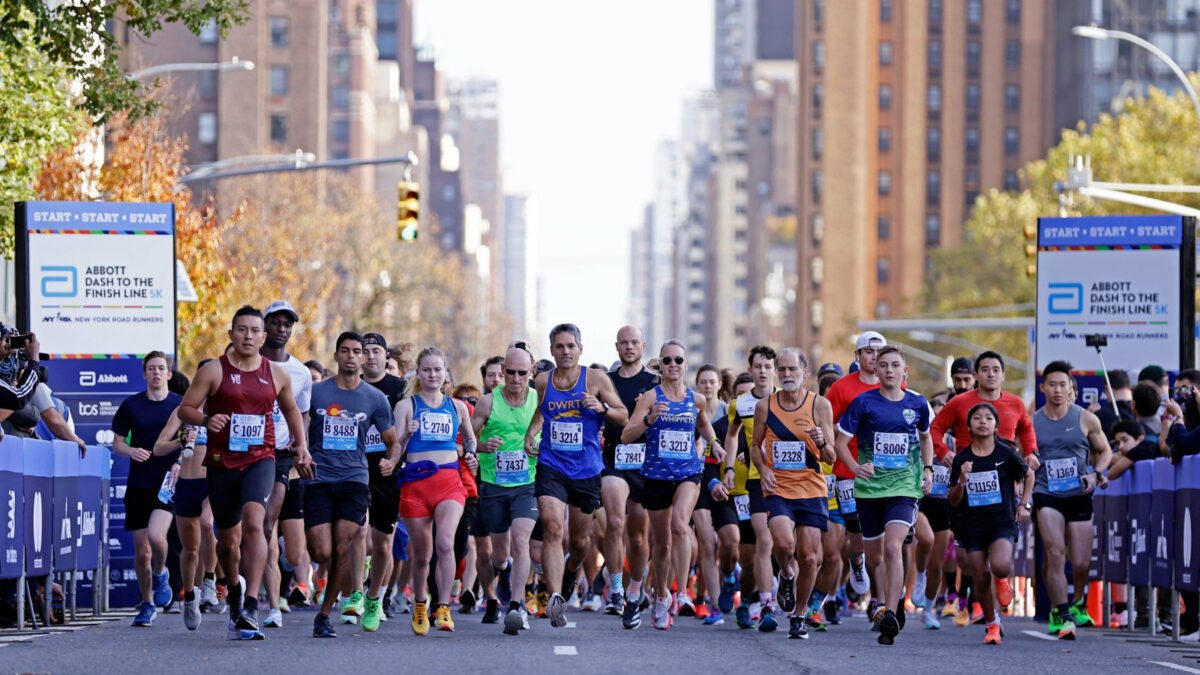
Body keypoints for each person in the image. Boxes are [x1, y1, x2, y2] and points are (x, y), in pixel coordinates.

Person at [177, 305, 311, 641]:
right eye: (242, 330)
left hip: (261, 459)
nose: (248, 336)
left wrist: (302, 445)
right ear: (231, 334)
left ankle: (252, 604)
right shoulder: (213, 371)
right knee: (228, 544)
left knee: (256, 523)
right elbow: (186, 409)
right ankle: (234, 590)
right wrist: (208, 419)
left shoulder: (276, 373)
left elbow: (292, 409)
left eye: (254, 331)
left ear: (263, 337)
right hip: (222, 462)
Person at [523, 323, 628, 628]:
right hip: (552, 464)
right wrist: (532, 432)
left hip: (586, 469)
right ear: (552, 350)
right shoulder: (543, 380)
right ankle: (555, 597)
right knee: (554, 528)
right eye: (559, 346)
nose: (565, 351)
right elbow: (542, 410)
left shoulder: (595, 379)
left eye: (571, 346)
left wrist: (602, 406)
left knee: (579, 541)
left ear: (580, 349)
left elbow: (623, 413)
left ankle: (571, 575)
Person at [834, 345, 933, 646]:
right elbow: (840, 443)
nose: (889, 370)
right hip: (869, 489)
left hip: (904, 488)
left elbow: (926, 437)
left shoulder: (917, 403)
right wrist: (853, 466)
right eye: (883, 365)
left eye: (895, 365)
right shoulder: (863, 403)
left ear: (905, 371)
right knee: (874, 557)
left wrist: (927, 470)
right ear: (875, 371)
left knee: (894, 547)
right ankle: (885, 595)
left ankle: (891, 611)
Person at [304, 332, 400, 637]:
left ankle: (325, 614)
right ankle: (335, 590)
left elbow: (392, 440)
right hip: (318, 478)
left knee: (344, 545)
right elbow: (301, 427)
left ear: (361, 358)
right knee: (321, 551)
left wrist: (391, 460)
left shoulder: (374, 398)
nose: (350, 356)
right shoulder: (316, 392)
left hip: (354, 480)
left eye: (356, 351)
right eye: (344, 351)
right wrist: (300, 452)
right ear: (336, 356)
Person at [621, 340, 718, 630]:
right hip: (656, 475)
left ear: (686, 364)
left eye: (678, 360)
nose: (673, 365)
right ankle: (661, 596)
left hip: (688, 472)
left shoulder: (696, 399)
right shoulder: (650, 396)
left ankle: (684, 592)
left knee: (680, 526)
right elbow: (627, 435)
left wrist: (714, 444)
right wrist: (649, 420)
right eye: (667, 360)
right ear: (661, 365)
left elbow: (703, 424)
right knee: (660, 544)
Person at [749, 348, 835, 640]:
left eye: (792, 370)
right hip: (779, 487)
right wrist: (763, 469)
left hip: (811, 488)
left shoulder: (820, 405)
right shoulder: (766, 407)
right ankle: (786, 573)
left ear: (805, 373)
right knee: (784, 545)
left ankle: (798, 615)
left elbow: (832, 458)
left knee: (810, 558)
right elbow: (755, 447)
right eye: (782, 370)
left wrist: (822, 442)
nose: (786, 375)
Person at [393, 346, 477, 635]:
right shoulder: (407, 406)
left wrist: (471, 453)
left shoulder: (457, 407)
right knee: (422, 554)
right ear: (419, 372)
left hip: (449, 483)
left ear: (445, 373)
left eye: (437, 370)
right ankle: (420, 602)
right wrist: (406, 433)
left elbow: (469, 438)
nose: (432, 374)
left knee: (445, 543)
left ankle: (443, 607)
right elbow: (397, 448)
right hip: (416, 484)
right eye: (426, 369)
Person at [1032, 360, 1112, 640]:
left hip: (1078, 493)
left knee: (1079, 562)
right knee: (1054, 553)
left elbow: (1105, 451)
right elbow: (1024, 456)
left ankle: (1076, 601)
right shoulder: (1032, 421)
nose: (1057, 390)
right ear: (1043, 388)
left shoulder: (1086, 419)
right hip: (1046, 494)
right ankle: (1062, 612)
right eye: (1051, 384)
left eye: (1062, 385)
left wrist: (1096, 474)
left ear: (1070, 389)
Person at [948, 402, 1034, 645]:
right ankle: (992, 623)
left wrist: (1024, 504)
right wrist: (962, 480)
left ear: (996, 425)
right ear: (968, 426)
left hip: (1001, 521)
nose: (982, 421)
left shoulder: (1005, 454)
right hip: (973, 524)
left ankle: (1002, 579)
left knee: (1000, 565)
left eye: (988, 418)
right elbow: (953, 500)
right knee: (979, 575)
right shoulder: (962, 459)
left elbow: (1029, 474)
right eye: (976, 418)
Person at [472, 345, 541, 635]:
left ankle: (516, 606)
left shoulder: (540, 399)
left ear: (531, 372)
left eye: (521, 373)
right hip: (493, 484)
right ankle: (505, 571)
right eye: (508, 372)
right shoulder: (488, 403)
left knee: (521, 539)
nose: (514, 378)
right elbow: (465, 440)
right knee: (500, 555)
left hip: (527, 484)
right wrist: (481, 446)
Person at [112, 351, 183, 627]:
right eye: (151, 368)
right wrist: (131, 451)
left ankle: (162, 571)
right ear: (144, 374)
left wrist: (179, 462)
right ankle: (147, 603)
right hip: (138, 483)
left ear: (169, 374)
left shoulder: (180, 405)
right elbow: (117, 443)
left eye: (161, 368)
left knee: (157, 537)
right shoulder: (131, 405)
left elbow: (191, 440)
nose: (156, 372)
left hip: (167, 484)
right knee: (141, 552)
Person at [825, 332, 891, 606]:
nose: (874, 356)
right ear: (858, 355)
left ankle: (883, 602)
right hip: (848, 468)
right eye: (868, 351)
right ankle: (855, 561)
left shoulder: (894, 386)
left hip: (885, 471)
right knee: (856, 533)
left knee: (881, 536)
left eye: (879, 351)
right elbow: (826, 424)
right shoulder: (841, 388)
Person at [259, 300, 313, 629]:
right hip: (243, 453)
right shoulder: (243, 364)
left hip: (278, 453)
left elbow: (301, 412)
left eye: (287, 324)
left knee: (265, 525)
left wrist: (300, 442)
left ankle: (271, 603)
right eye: (276, 323)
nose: (281, 329)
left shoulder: (301, 373)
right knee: (241, 531)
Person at [600, 326, 657, 622]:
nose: (629, 346)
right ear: (617, 346)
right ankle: (616, 588)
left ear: (643, 346)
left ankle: (636, 587)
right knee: (615, 521)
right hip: (613, 458)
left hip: (646, 463)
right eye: (624, 342)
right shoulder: (605, 382)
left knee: (637, 535)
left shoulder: (655, 382)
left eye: (634, 342)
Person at [722, 345, 778, 631]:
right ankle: (750, 601)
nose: (763, 371)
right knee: (756, 550)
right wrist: (730, 468)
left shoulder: (788, 400)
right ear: (751, 369)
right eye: (758, 366)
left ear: (775, 370)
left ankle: (783, 584)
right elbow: (731, 437)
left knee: (787, 547)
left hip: (790, 482)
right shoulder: (740, 404)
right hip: (755, 480)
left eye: (768, 366)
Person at [360, 333, 408, 621]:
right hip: (353, 468)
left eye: (376, 350)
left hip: (388, 472)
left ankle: (374, 596)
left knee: (381, 543)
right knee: (355, 535)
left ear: (386, 356)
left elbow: (406, 431)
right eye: (365, 351)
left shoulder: (400, 388)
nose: (370, 356)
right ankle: (352, 593)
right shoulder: (350, 385)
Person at [704, 373, 754, 626]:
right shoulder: (723, 427)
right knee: (731, 542)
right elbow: (709, 465)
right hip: (727, 496)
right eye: (741, 394)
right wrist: (714, 482)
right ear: (733, 399)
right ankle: (729, 578)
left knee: (752, 558)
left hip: (756, 497)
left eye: (751, 394)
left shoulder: (768, 425)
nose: (747, 399)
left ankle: (744, 604)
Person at [469, 354, 506, 621]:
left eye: (502, 375)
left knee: (507, 548)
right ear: (484, 379)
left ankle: (508, 573)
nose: (497, 380)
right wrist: (480, 448)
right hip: (483, 483)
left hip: (517, 484)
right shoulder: (479, 406)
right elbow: (466, 442)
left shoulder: (526, 402)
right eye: (492, 375)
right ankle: (491, 599)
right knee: (483, 548)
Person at [691, 364, 727, 623]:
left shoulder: (730, 413)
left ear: (720, 385)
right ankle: (715, 604)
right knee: (707, 543)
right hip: (699, 482)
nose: (707, 386)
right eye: (703, 382)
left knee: (729, 544)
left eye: (712, 382)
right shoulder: (690, 413)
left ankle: (731, 582)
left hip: (726, 484)